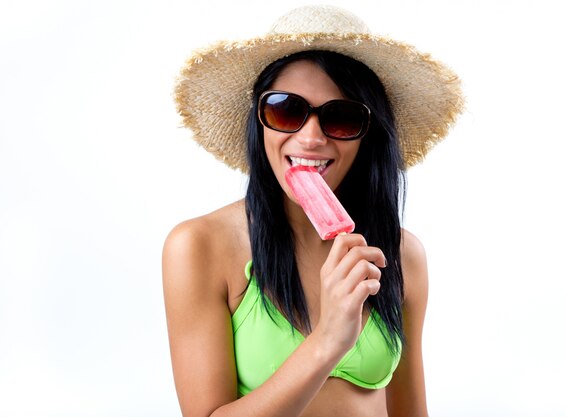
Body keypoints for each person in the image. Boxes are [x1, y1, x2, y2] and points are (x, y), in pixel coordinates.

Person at [162, 5, 463, 417]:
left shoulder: (401, 255)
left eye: (340, 118)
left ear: (367, 135)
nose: (310, 137)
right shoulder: (199, 246)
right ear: (259, 121)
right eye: (286, 109)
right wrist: (327, 341)